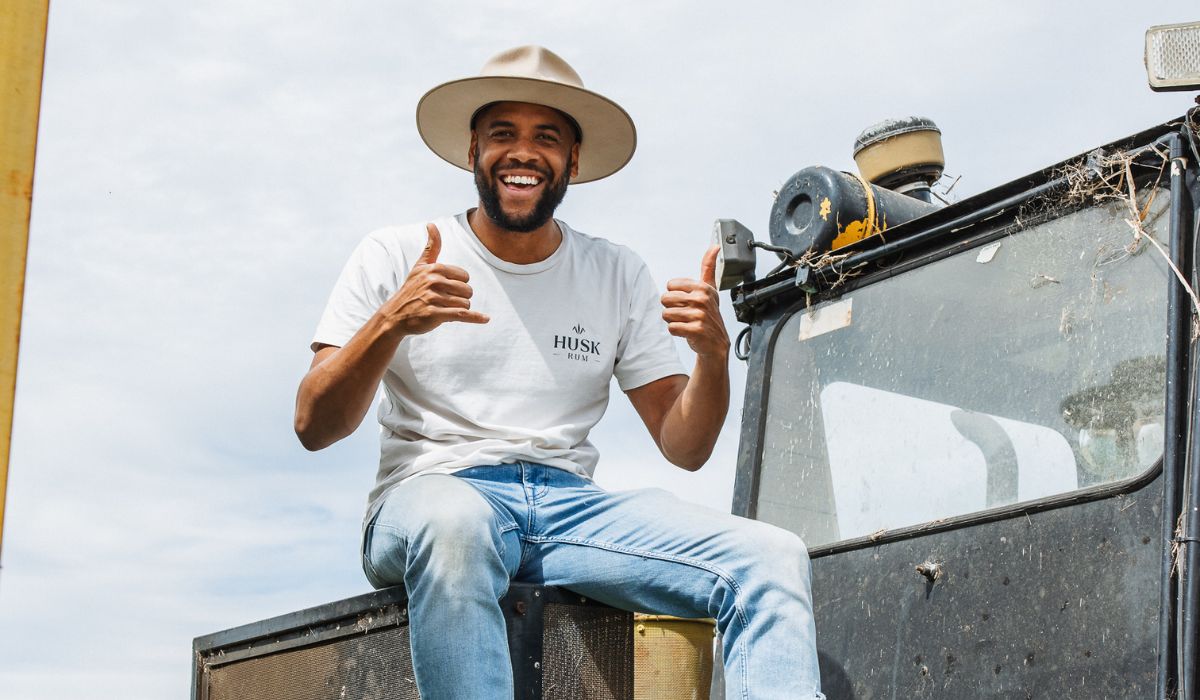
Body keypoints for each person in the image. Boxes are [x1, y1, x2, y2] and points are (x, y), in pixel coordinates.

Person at [294, 45, 823, 700]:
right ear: (472, 152)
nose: (523, 152)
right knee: (455, 526)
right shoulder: (397, 254)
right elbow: (314, 424)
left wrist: (712, 357)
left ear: (572, 160)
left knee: (770, 559)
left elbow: (685, 447)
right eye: (502, 134)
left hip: (569, 506)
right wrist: (390, 322)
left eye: (545, 137)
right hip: (433, 494)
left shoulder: (614, 271)